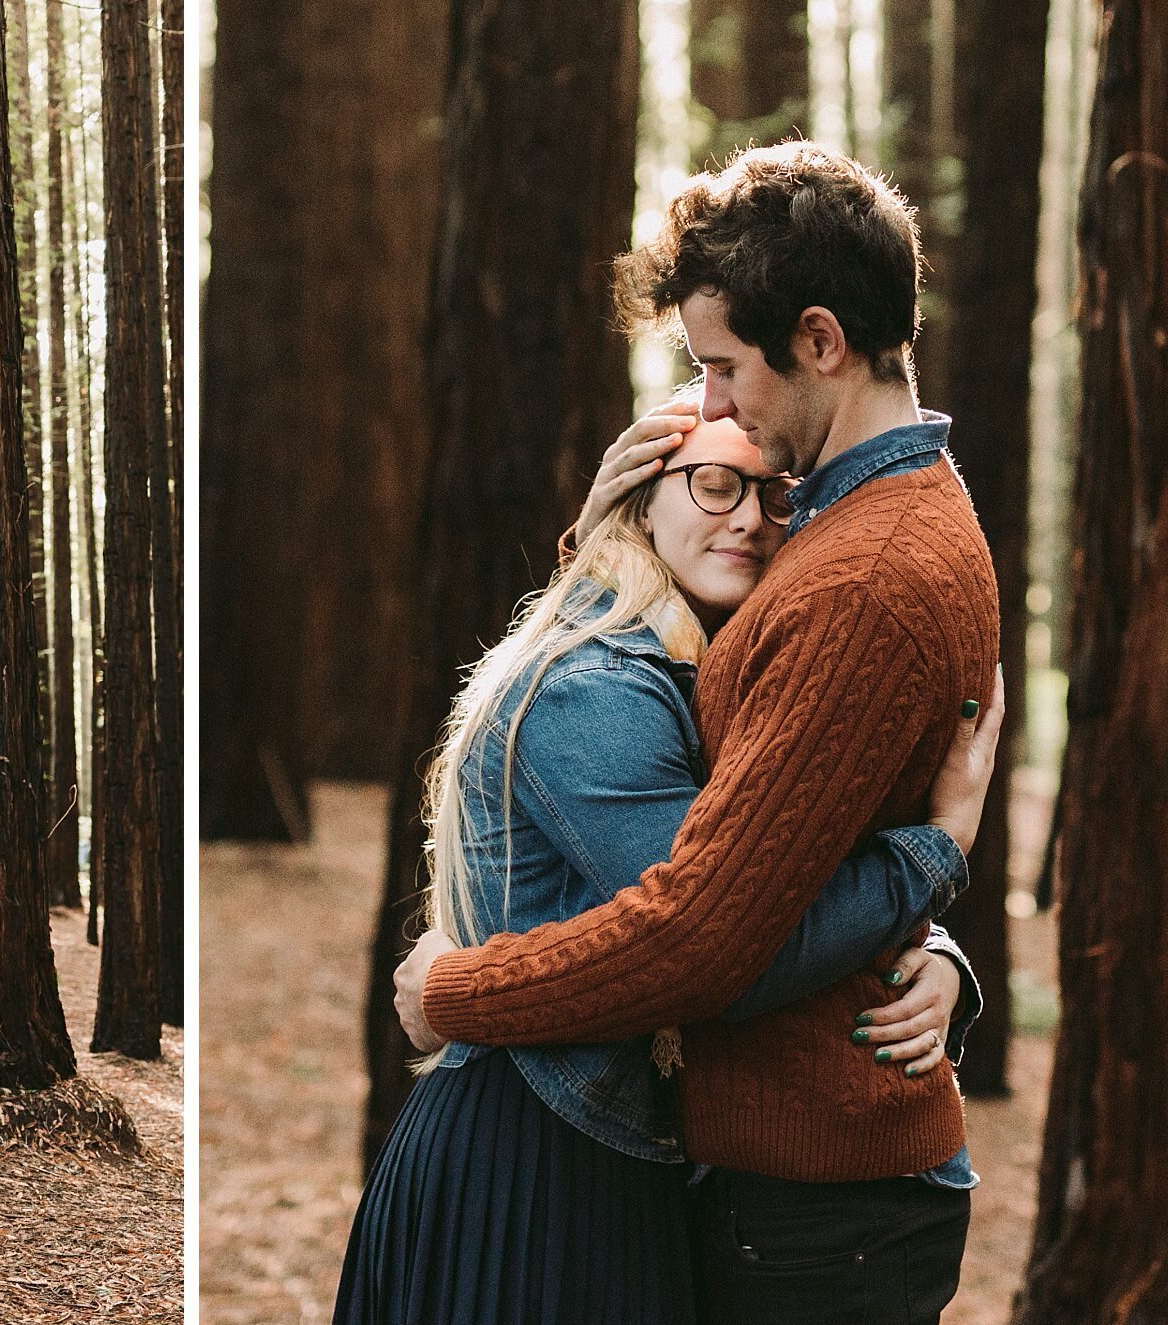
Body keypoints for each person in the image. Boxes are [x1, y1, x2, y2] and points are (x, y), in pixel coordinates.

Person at [394, 141, 1003, 1323]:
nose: (709, 403)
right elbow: (779, 790)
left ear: (819, 340)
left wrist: (458, 988)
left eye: (723, 367)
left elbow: (699, 935)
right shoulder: (854, 525)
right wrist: (601, 545)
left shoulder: (860, 571)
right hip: (793, 1169)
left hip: (819, 1202)